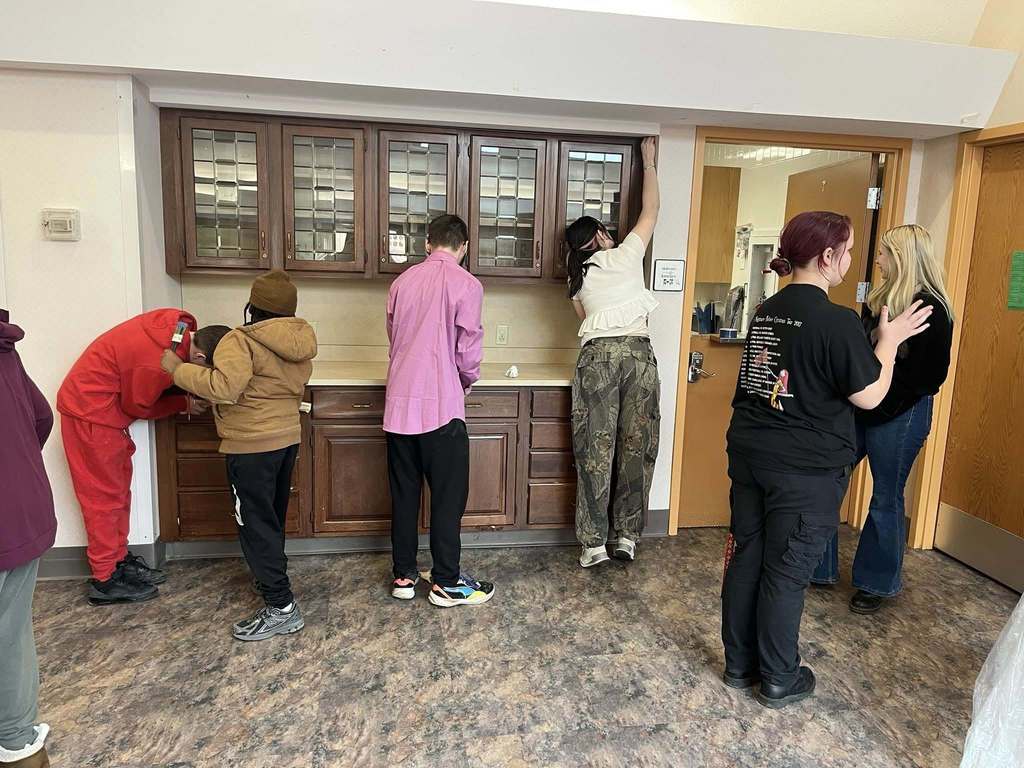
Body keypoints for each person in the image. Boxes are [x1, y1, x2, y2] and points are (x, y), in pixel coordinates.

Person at [721, 211, 934, 709]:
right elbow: (870, 397)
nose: (851, 261)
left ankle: (740, 664)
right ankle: (778, 677)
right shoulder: (836, 321)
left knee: (747, 556)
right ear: (827, 256)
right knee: (787, 570)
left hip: (750, 454)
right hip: (804, 470)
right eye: (848, 250)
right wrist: (889, 341)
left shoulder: (767, 310)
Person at [162, 271, 316, 641]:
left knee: (254, 525)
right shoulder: (300, 340)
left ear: (253, 306)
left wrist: (177, 370)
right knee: (270, 519)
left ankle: (281, 607)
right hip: (285, 440)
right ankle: (272, 583)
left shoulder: (240, 339)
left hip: (251, 444)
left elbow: (225, 388)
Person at [812, 224, 954, 614]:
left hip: (902, 414)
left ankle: (876, 582)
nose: (876, 258)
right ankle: (818, 568)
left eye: (884, 252)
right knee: (828, 476)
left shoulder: (932, 310)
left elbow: (929, 378)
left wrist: (878, 406)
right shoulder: (877, 300)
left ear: (903, 257)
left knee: (885, 496)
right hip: (866, 407)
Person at [57, 309, 206, 605]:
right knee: (102, 500)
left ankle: (117, 562)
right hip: (91, 416)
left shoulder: (175, 332)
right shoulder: (157, 365)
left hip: (99, 413)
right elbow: (139, 406)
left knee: (117, 496)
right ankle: (104, 580)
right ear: (200, 358)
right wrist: (182, 402)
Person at [384, 213, 493, 608]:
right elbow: (469, 350)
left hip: (398, 408)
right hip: (442, 409)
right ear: (463, 247)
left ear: (427, 244)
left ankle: (403, 575)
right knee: (448, 500)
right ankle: (446, 580)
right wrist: (460, 382)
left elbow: (394, 336)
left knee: (404, 495)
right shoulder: (467, 284)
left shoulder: (401, 282)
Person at [566, 136, 661, 568]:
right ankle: (626, 536)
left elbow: (584, 321)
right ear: (602, 235)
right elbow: (652, 210)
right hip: (638, 357)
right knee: (636, 448)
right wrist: (650, 162)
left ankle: (592, 544)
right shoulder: (626, 253)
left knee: (595, 449)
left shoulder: (577, 278)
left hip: (598, 360)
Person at [0, 310, 56, 768]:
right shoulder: (5, 349)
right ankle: (18, 745)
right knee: (10, 631)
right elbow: (40, 416)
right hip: (20, 512)